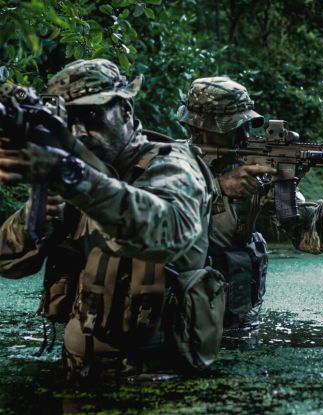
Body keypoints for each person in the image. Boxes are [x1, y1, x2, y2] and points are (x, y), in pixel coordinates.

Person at [0, 59, 223, 377]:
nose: (80, 132)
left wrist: (72, 178)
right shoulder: (78, 175)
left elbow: (170, 231)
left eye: (92, 116)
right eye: (70, 120)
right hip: (79, 375)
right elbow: (8, 263)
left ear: (126, 111)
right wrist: (42, 214)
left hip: (158, 382)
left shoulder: (172, 165)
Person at [177, 76, 323, 330]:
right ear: (199, 129)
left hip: (232, 320)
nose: (243, 135)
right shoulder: (168, 163)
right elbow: (146, 218)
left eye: (244, 125)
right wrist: (218, 188)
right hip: (174, 317)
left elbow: (310, 238)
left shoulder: (254, 174)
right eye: (231, 128)